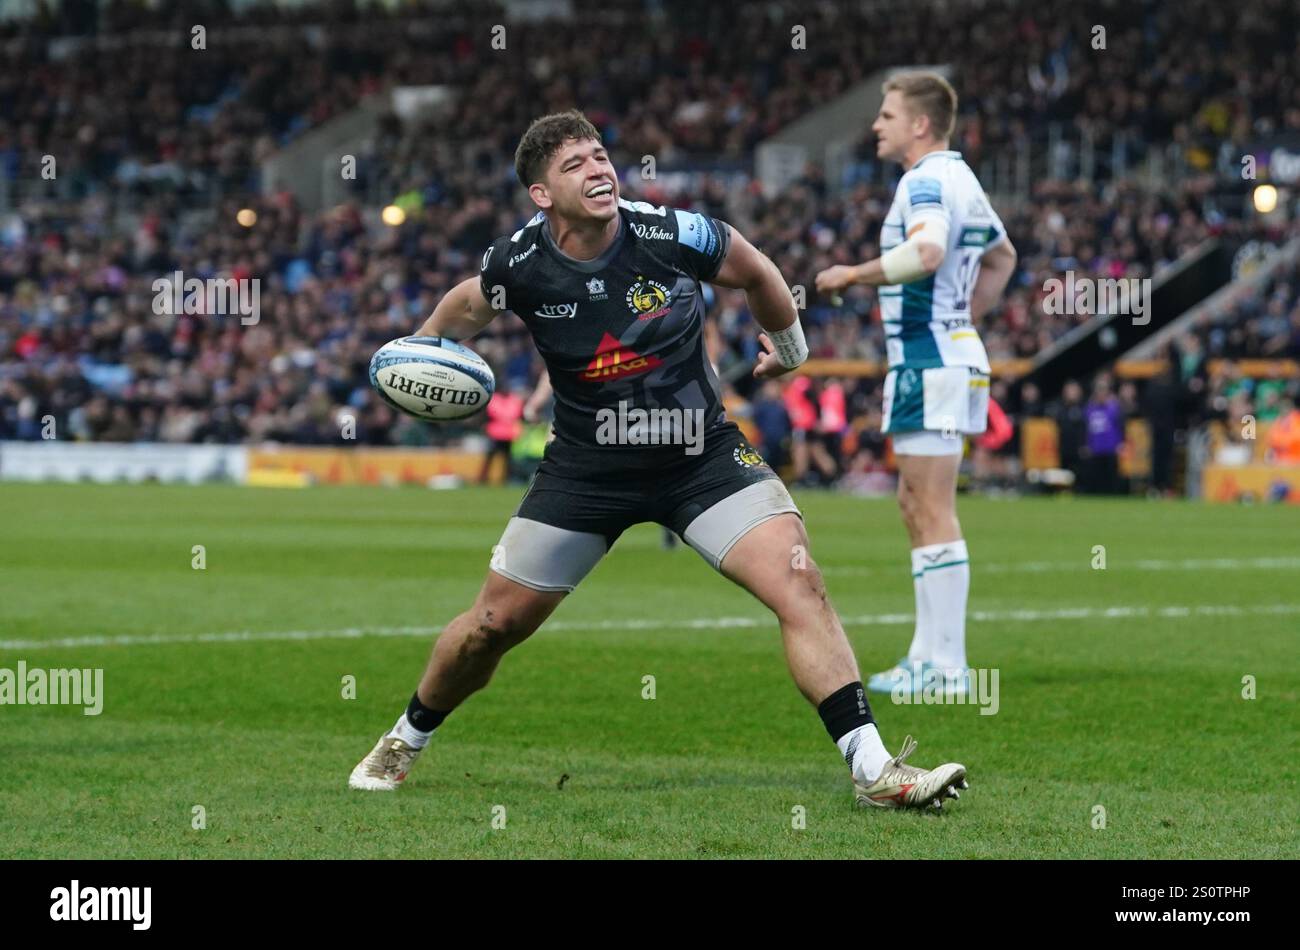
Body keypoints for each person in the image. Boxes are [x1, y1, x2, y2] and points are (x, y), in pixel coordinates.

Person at [350, 110, 968, 810]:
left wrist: (789, 349)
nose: (600, 169)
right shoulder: (518, 263)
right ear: (542, 195)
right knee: (492, 628)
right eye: (575, 164)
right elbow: (466, 305)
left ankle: (874, 770)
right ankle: (406, 735)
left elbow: (758, 270)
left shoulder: (672, 233)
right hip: (587, 469)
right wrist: (423, 348)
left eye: (600, 154)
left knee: (801, 581)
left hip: (699, 456)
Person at [814, 72, 1016, 697]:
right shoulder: (964, 180)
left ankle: (948, 667)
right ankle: (927, 655)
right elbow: (1003, 256)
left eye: (887, 114)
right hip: (945, 356)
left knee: (931, 508)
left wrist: (854, 273)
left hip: (930, 362)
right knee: (915, 504)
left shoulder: (925, 179)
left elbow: (926, 255)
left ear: (920, 124)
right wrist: (963, 320)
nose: (876, 124)